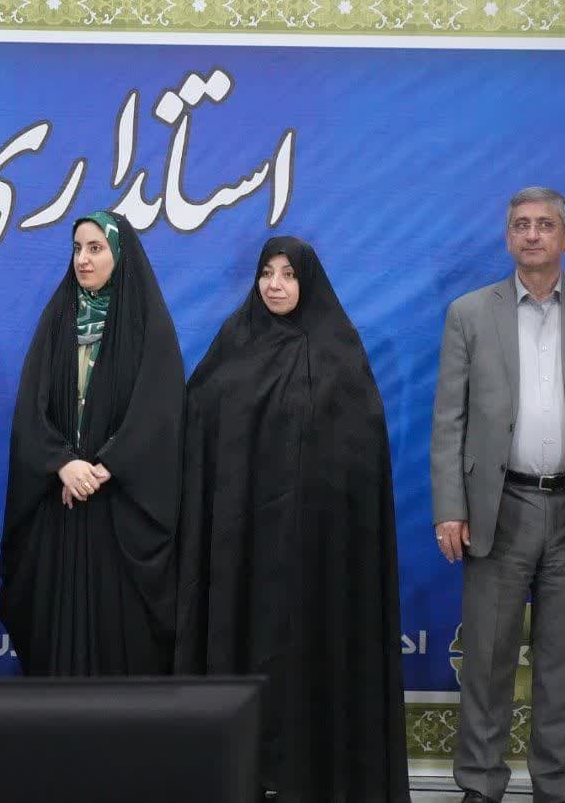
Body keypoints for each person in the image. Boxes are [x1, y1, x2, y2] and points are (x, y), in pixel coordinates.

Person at [174, 236, 409, 802]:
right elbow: (199, 428)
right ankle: (245, 770)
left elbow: (360, 452)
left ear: (308, 282)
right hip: (243, 549)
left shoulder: (338, 352)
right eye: (266, 273)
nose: (274, 284)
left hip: (315, 552)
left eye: (288, 274)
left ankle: (313, 772)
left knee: (308, 654)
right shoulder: (233, 345)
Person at [431, 187, 565, 803]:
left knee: (564, 662)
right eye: (521, 224)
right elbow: (449, 421)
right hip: (498, 508)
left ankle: (555, 784)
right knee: (487, 659)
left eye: (545, 225)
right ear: (507, 237)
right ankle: (480, 784)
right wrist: (450, 507)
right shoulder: (469, 313)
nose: (531, 234)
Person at [0, 211, 183, 675]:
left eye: (96, 248)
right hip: (61, 504)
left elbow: (160, 409)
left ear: (119, 255)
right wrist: (62, 463)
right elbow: (31, 408)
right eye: (77, 248)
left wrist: (107, 465)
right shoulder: (58, 320)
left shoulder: (146, 325)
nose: (83, 259)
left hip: (120, 504)